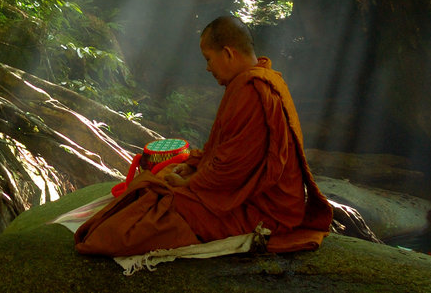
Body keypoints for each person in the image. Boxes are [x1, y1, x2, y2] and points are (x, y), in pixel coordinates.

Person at [74, 15, 332, 256]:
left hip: (265, 210)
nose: (207, 68)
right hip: (260, 199)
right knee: (154, 189)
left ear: (228, 53)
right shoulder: (264, 79)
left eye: (208, 59)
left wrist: (190, 184)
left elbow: (232, 170)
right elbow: (227, 151)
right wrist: (194, 165)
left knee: (141, 217)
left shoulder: (252, 90)